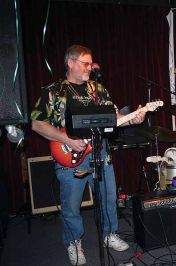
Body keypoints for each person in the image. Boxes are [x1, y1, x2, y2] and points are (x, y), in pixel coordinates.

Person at [30, 45, 145, 265]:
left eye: (91, 63)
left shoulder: (97, 89)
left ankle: (109, 234)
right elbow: (36, 123)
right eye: (85, 63)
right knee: (71, 204)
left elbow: (115, 116)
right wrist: (66, 139)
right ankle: (73, 242)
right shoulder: (54, 91)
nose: (89, 68)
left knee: (108, 197)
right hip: (68, 154)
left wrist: (133, 118)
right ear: (70, 63)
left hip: (100, 152)